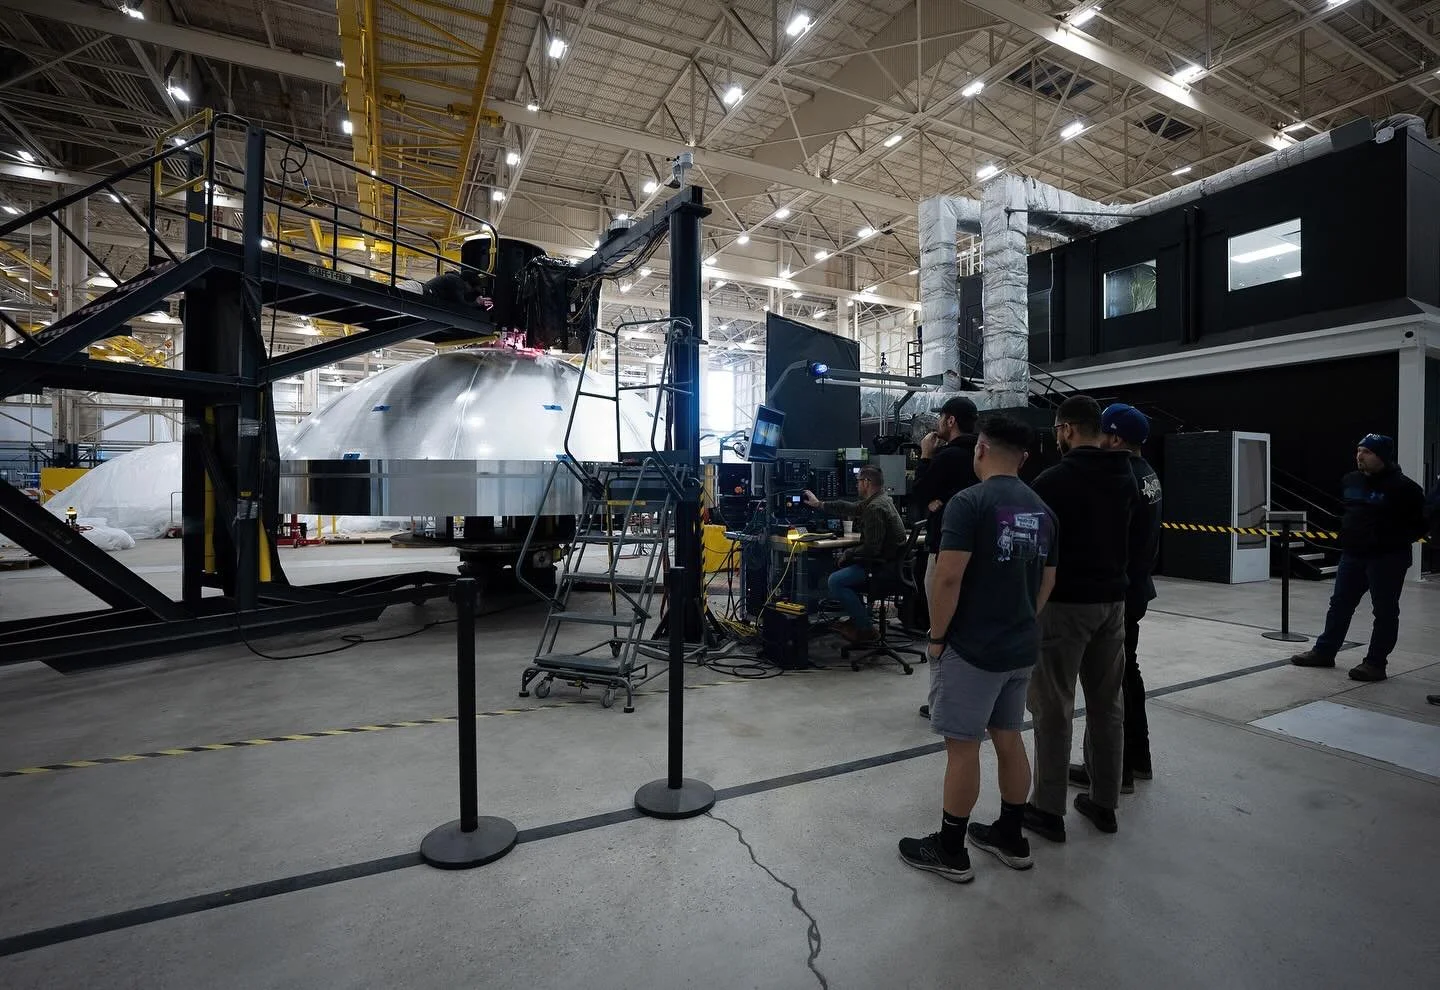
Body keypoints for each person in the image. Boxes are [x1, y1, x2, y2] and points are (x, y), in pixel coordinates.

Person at [898, 414, 1057, 882]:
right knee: (1009, 737)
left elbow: (947, 577)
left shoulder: (969, 503)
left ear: (981, 449)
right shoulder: (1043, 510)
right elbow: (1048, 579)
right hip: (1020, 646)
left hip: (972, 648)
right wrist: (1022, 616)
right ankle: (1011, 835)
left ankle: (950, 849)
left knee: (963, 747)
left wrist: (937, 637)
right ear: (1023, 458)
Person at [1025, 395, 1142, 840]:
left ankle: (1047, 808)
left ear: (1068, 429)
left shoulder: (1053, 481)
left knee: (1053, 706)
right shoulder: (1126, 475)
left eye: (1057, 429)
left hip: (1065, 606)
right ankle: (1104, 801)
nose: (1057, 436)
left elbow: (1033, 548)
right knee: (1107, 704)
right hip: (1113, 603)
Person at [1069, 403, 1162, 792]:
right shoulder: (1147, 473)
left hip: (1119, 592)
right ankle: (1137, 759)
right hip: (1137, 587)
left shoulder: (1121, 476)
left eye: (1102, 434)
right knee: (1127, 675)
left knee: (1109, 685)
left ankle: (1114, 771)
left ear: (1116, 438)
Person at [1290, 435, 1427, 682]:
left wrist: (1390, 540)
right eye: (1358, 450)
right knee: (1339, 604)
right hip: (1352, 555)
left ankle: (1375, 663)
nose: (1360, 456)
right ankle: (1324, 652)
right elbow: (1346, 512)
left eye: (1367, 452)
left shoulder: (1406, 488)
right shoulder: (1350, 480)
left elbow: (1421, 525)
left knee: (1384, 611)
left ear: (1383, 456)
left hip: (1387, 558)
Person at [803, 465, 907, 644]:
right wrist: (819, 504)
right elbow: (850, 507)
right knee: (845, 567)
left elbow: (872, 549)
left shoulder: (875, 508)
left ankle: (866, 629)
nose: (857, 484)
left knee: (835, 580)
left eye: (858, 481)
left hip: (881, 567)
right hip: (890, 565)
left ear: (866, 482)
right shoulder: (882, 500)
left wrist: (848, 553)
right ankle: (858, 619)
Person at [911, 396, 980, 605]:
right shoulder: (980, 454)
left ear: (950, 421)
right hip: (977, 543)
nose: (937, 422)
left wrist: (925, 456)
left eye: (940, 417)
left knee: (938, 601)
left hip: (944, 543)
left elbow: (920, 492)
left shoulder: (946, 456)